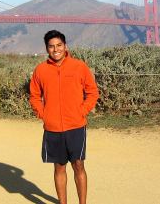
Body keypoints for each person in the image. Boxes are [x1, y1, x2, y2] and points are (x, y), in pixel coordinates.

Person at [29, 30, 99, 204]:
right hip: (53, 128)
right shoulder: (40, 70)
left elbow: (92, 92)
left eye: (59, 45)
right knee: (59, 167)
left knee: (78, 166)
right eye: (51, 46)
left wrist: (82, 112)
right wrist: (43, 114)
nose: (56, 49)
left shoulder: (79, 66)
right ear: (47, 49)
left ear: (65, 46)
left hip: (76, 125)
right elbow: (34, 96)